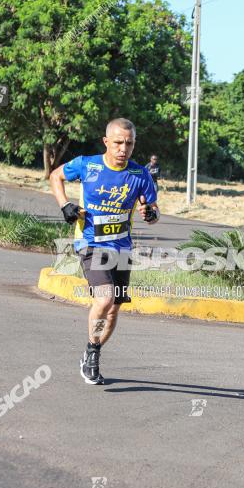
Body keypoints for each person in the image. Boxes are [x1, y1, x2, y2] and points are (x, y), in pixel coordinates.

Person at [48, 118, 160, 385]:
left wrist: (150, 213)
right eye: (118, 142)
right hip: (91, 244)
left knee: (113, 310)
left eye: (129, 143)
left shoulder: (139, 175)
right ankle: (92, 349)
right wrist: (65, 205)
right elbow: (55, 176)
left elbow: (153, 211)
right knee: (105, 299)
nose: (123, 149)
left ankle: (92, 350)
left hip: (122, 248)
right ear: (106, 142)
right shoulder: (88, 165)